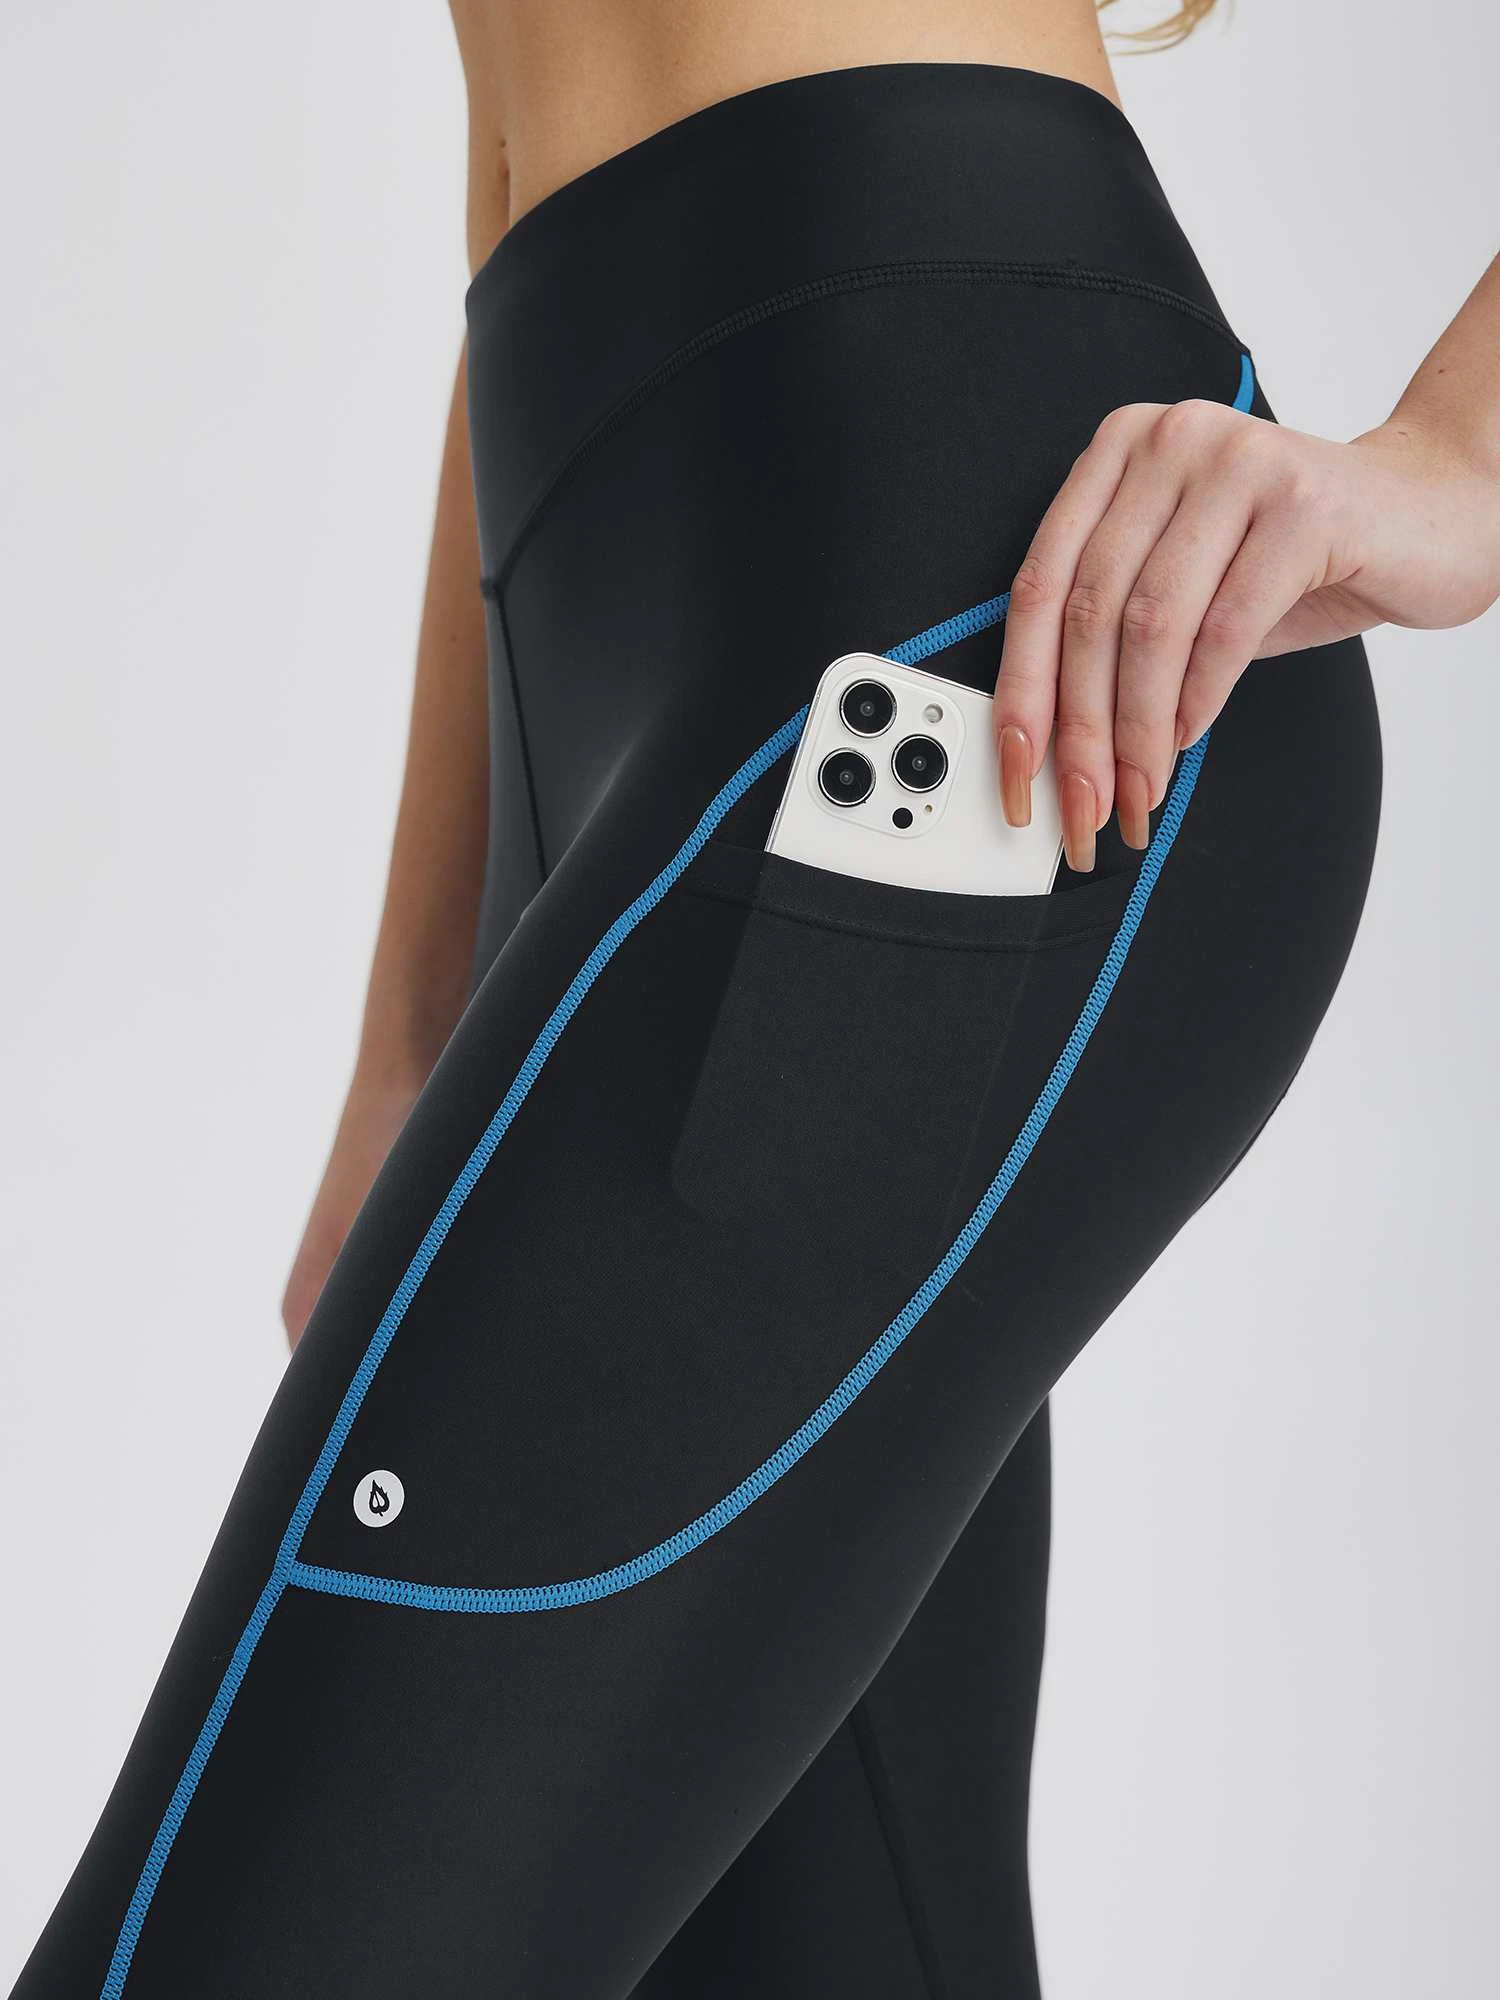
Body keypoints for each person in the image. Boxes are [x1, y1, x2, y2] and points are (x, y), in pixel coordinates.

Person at [12, 4, 1498, 1996]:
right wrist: (418, 1022)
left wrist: (1461, 464)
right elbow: (519, 185)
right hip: (632, 575)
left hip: (979, 651)